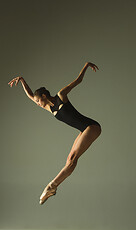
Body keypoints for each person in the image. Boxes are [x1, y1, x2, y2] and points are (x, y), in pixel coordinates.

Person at [8, 62, 102, 205]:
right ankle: (52, 188)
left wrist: (86, 65)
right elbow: (30, 96)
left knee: (73, 159)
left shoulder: (61, 96)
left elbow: (78, 80)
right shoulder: (48, 107)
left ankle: (50, 187)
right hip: (84, 129)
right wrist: (22, 80)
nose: (38, 103)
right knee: (70, 160)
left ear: (45, 96)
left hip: (92, 127)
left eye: (39, 100)